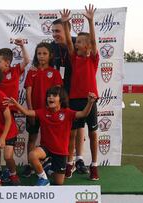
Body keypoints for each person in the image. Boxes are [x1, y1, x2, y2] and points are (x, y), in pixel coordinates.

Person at [4, 86, 97, 186]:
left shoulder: (68, 113)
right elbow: (27, 112)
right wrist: (16, 104)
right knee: (32, 155)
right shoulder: (43, 112)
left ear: (61, 99)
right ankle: (43, 178)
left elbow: (83, 114)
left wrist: (90, 102)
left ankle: (48, 167)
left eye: (54, 96)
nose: (50, 98)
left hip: (61, 152)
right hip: (46, 148)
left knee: (59, 183)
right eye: (49, 96)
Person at [60, 4, 100, 180]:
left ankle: (94, 165)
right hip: (75, 100)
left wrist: (90, 21)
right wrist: (66, 24)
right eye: (76, 42)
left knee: (92, 134)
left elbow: (94, 41)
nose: (76, 44)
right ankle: (69, 164)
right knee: (72, 134)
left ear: (88, 46)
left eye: (80, 42)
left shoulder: (93, 59)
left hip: (90, 100)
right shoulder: (74, 59)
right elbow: (68, 42)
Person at [51, 16, 89, 176]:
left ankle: (79, 159)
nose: (55, 34)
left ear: (67, 30)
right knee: (61, 125)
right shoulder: (51, 47)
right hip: (58, 93)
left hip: (76, 92)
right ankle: (65, 159)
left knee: (79, 125)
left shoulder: (76, 42)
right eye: (53, 31)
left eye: (57, 31)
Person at [22, 42, 63, 177]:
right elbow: (28, 92)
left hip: (49, 113)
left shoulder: (55, 73)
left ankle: (48, 163)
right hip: (34, 111)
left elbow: (58, 94)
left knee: (49, 139)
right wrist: (30, 110)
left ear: (50, 55)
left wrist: (54, 111)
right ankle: (30, 164)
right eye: (39, 53)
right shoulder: (32, 72)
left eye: (44, 53)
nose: (41, 56)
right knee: (32, 138)